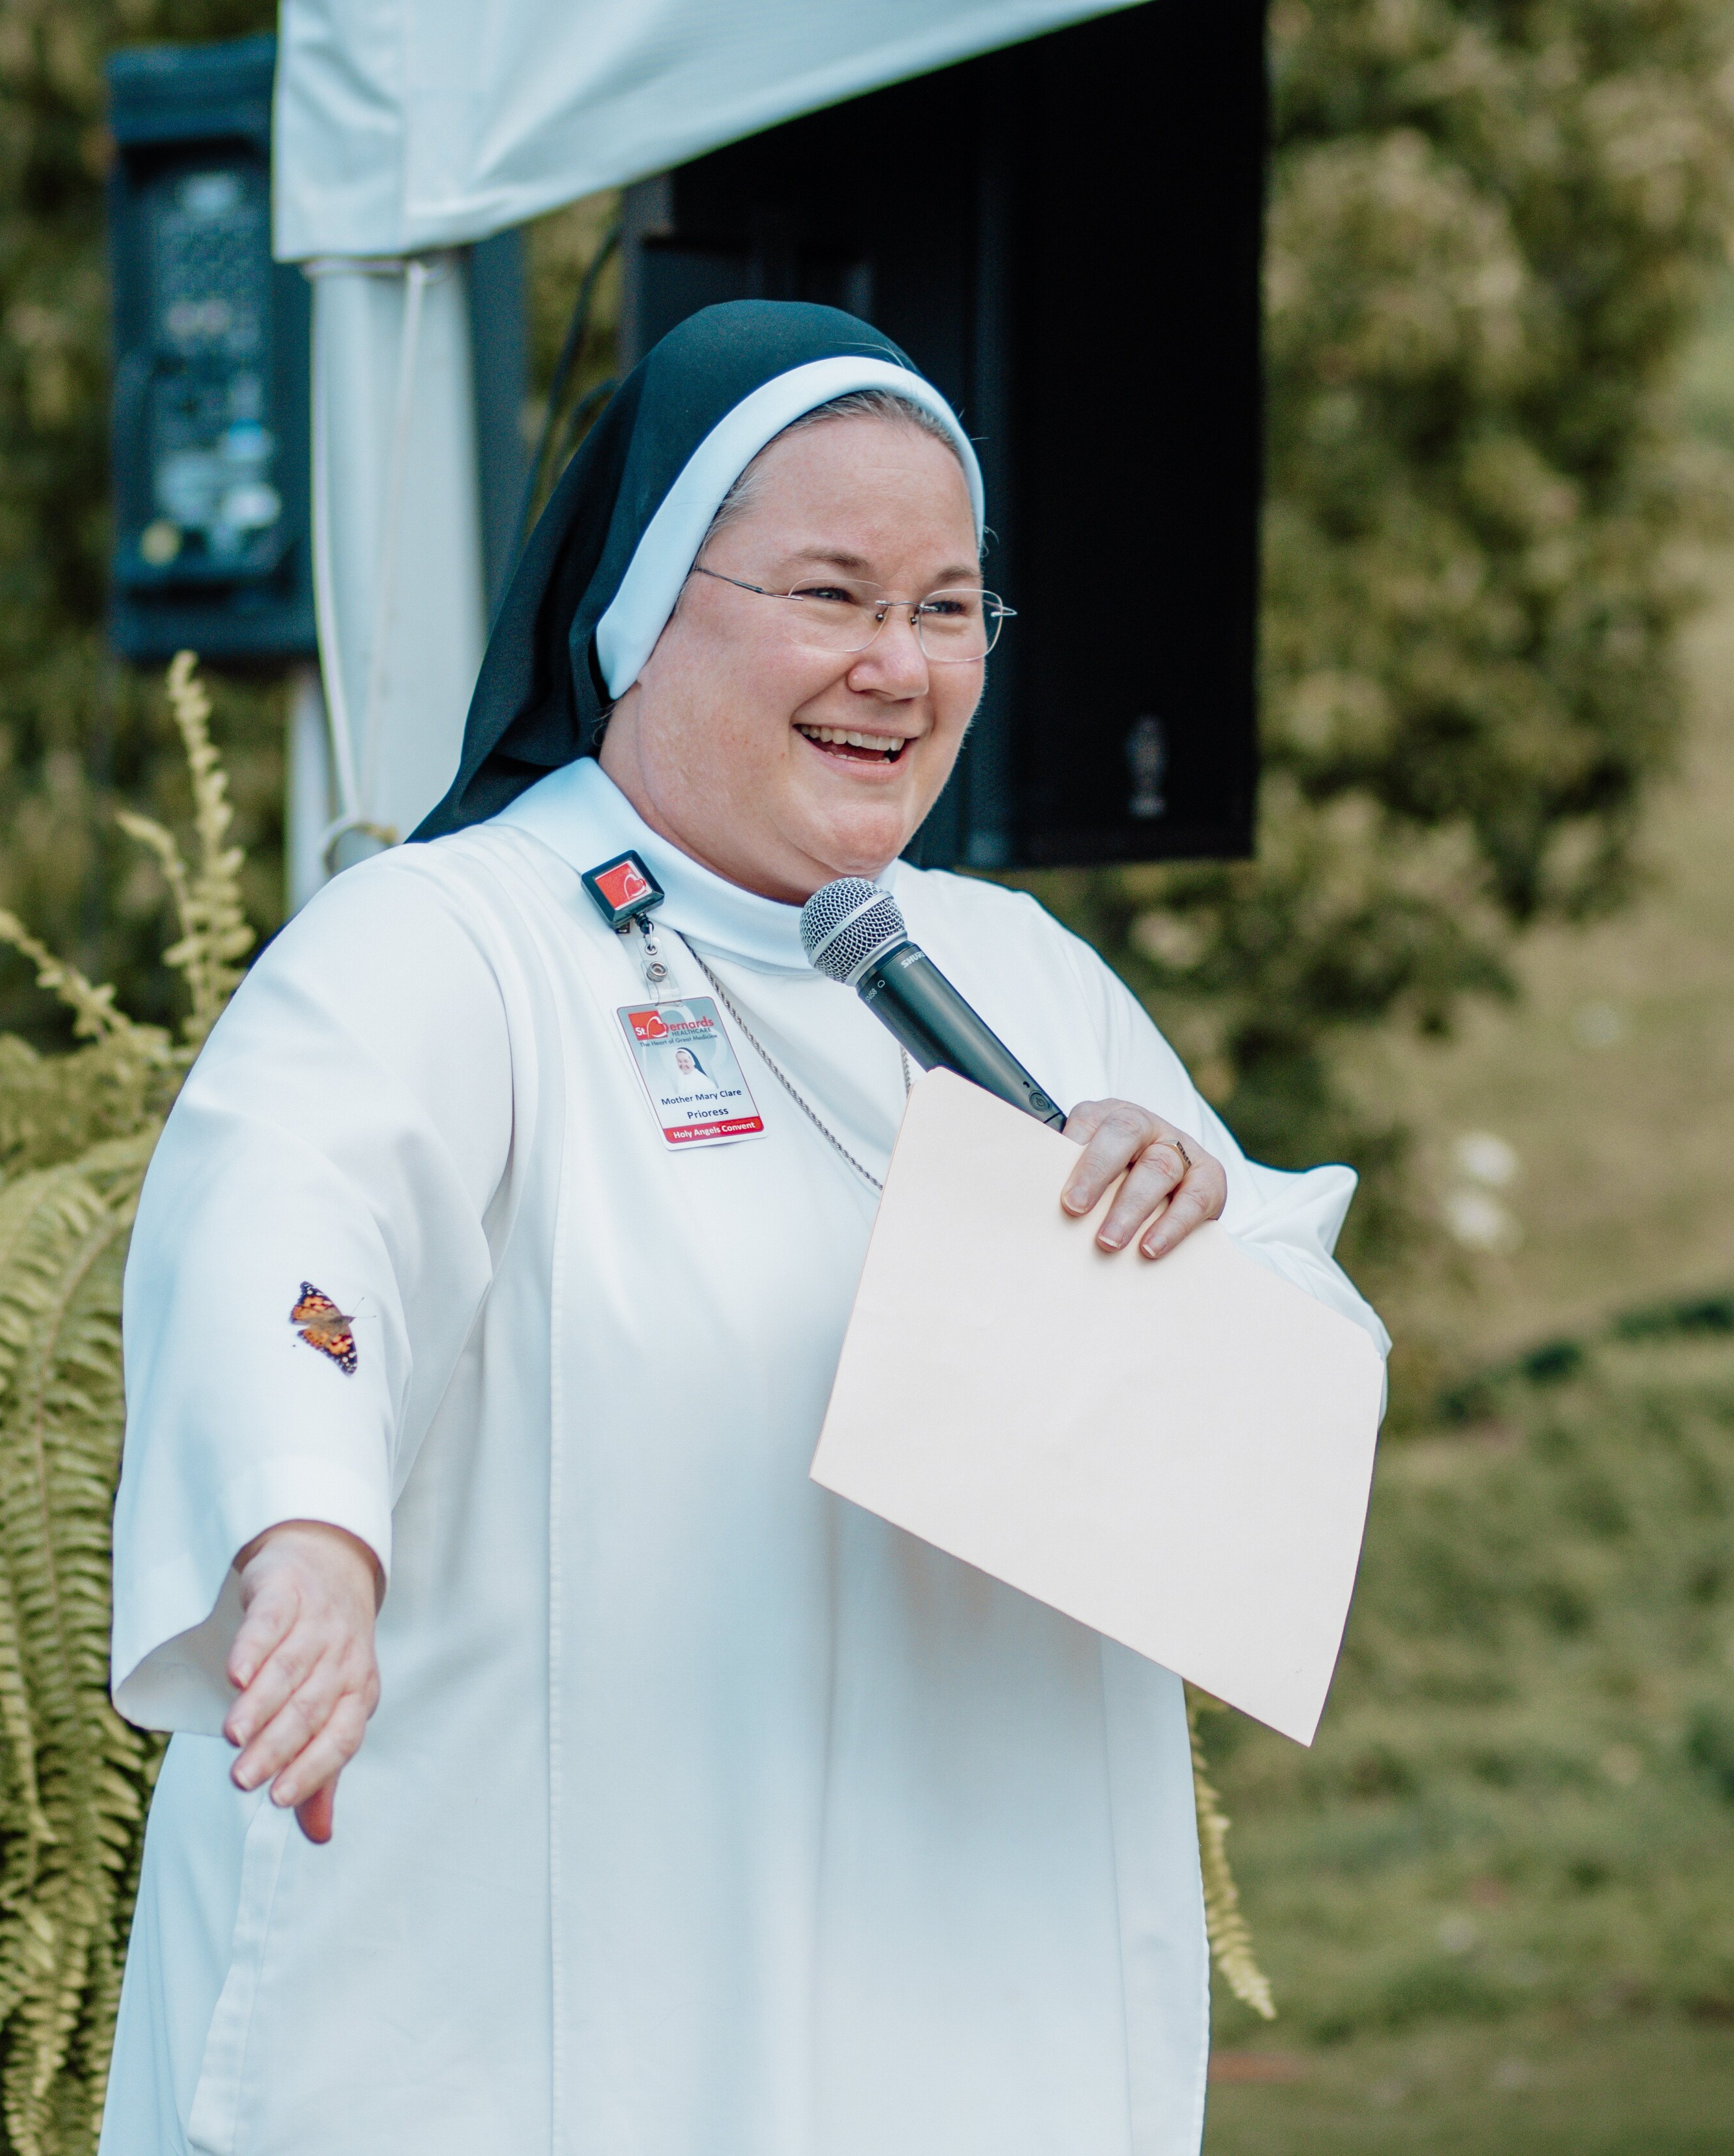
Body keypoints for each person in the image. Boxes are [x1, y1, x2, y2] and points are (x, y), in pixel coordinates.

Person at [99, 301, 1387, 2155]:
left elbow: (1283, 1410)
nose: (899, 666)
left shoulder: (1025, 985)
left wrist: (1196, 1261)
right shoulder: (453, 942)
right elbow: (292, 1228)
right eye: (831, 595)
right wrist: (307, 1533)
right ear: (637, 605)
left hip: (957, 2013)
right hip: (533, 2025)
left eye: (949, 608)